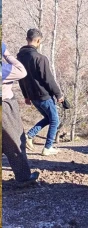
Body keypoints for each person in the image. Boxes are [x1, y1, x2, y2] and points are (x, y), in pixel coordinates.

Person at [17, 28, 64, 156]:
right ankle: (48, 147)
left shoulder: (19, 57)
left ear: (27, 39)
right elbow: (48, 79)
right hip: (43, 95)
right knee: (54, 120)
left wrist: (26, 96)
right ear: (38, 41)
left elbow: (20, 79)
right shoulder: (39, 58)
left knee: (49, 118)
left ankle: (29, 135)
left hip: (32, 95)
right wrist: (58, 94)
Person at [2, 42, 40, 186]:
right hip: (5, 106)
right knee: (16, 141)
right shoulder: (3, 70)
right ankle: (24, 177)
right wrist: (6, 53)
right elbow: (21, 71)